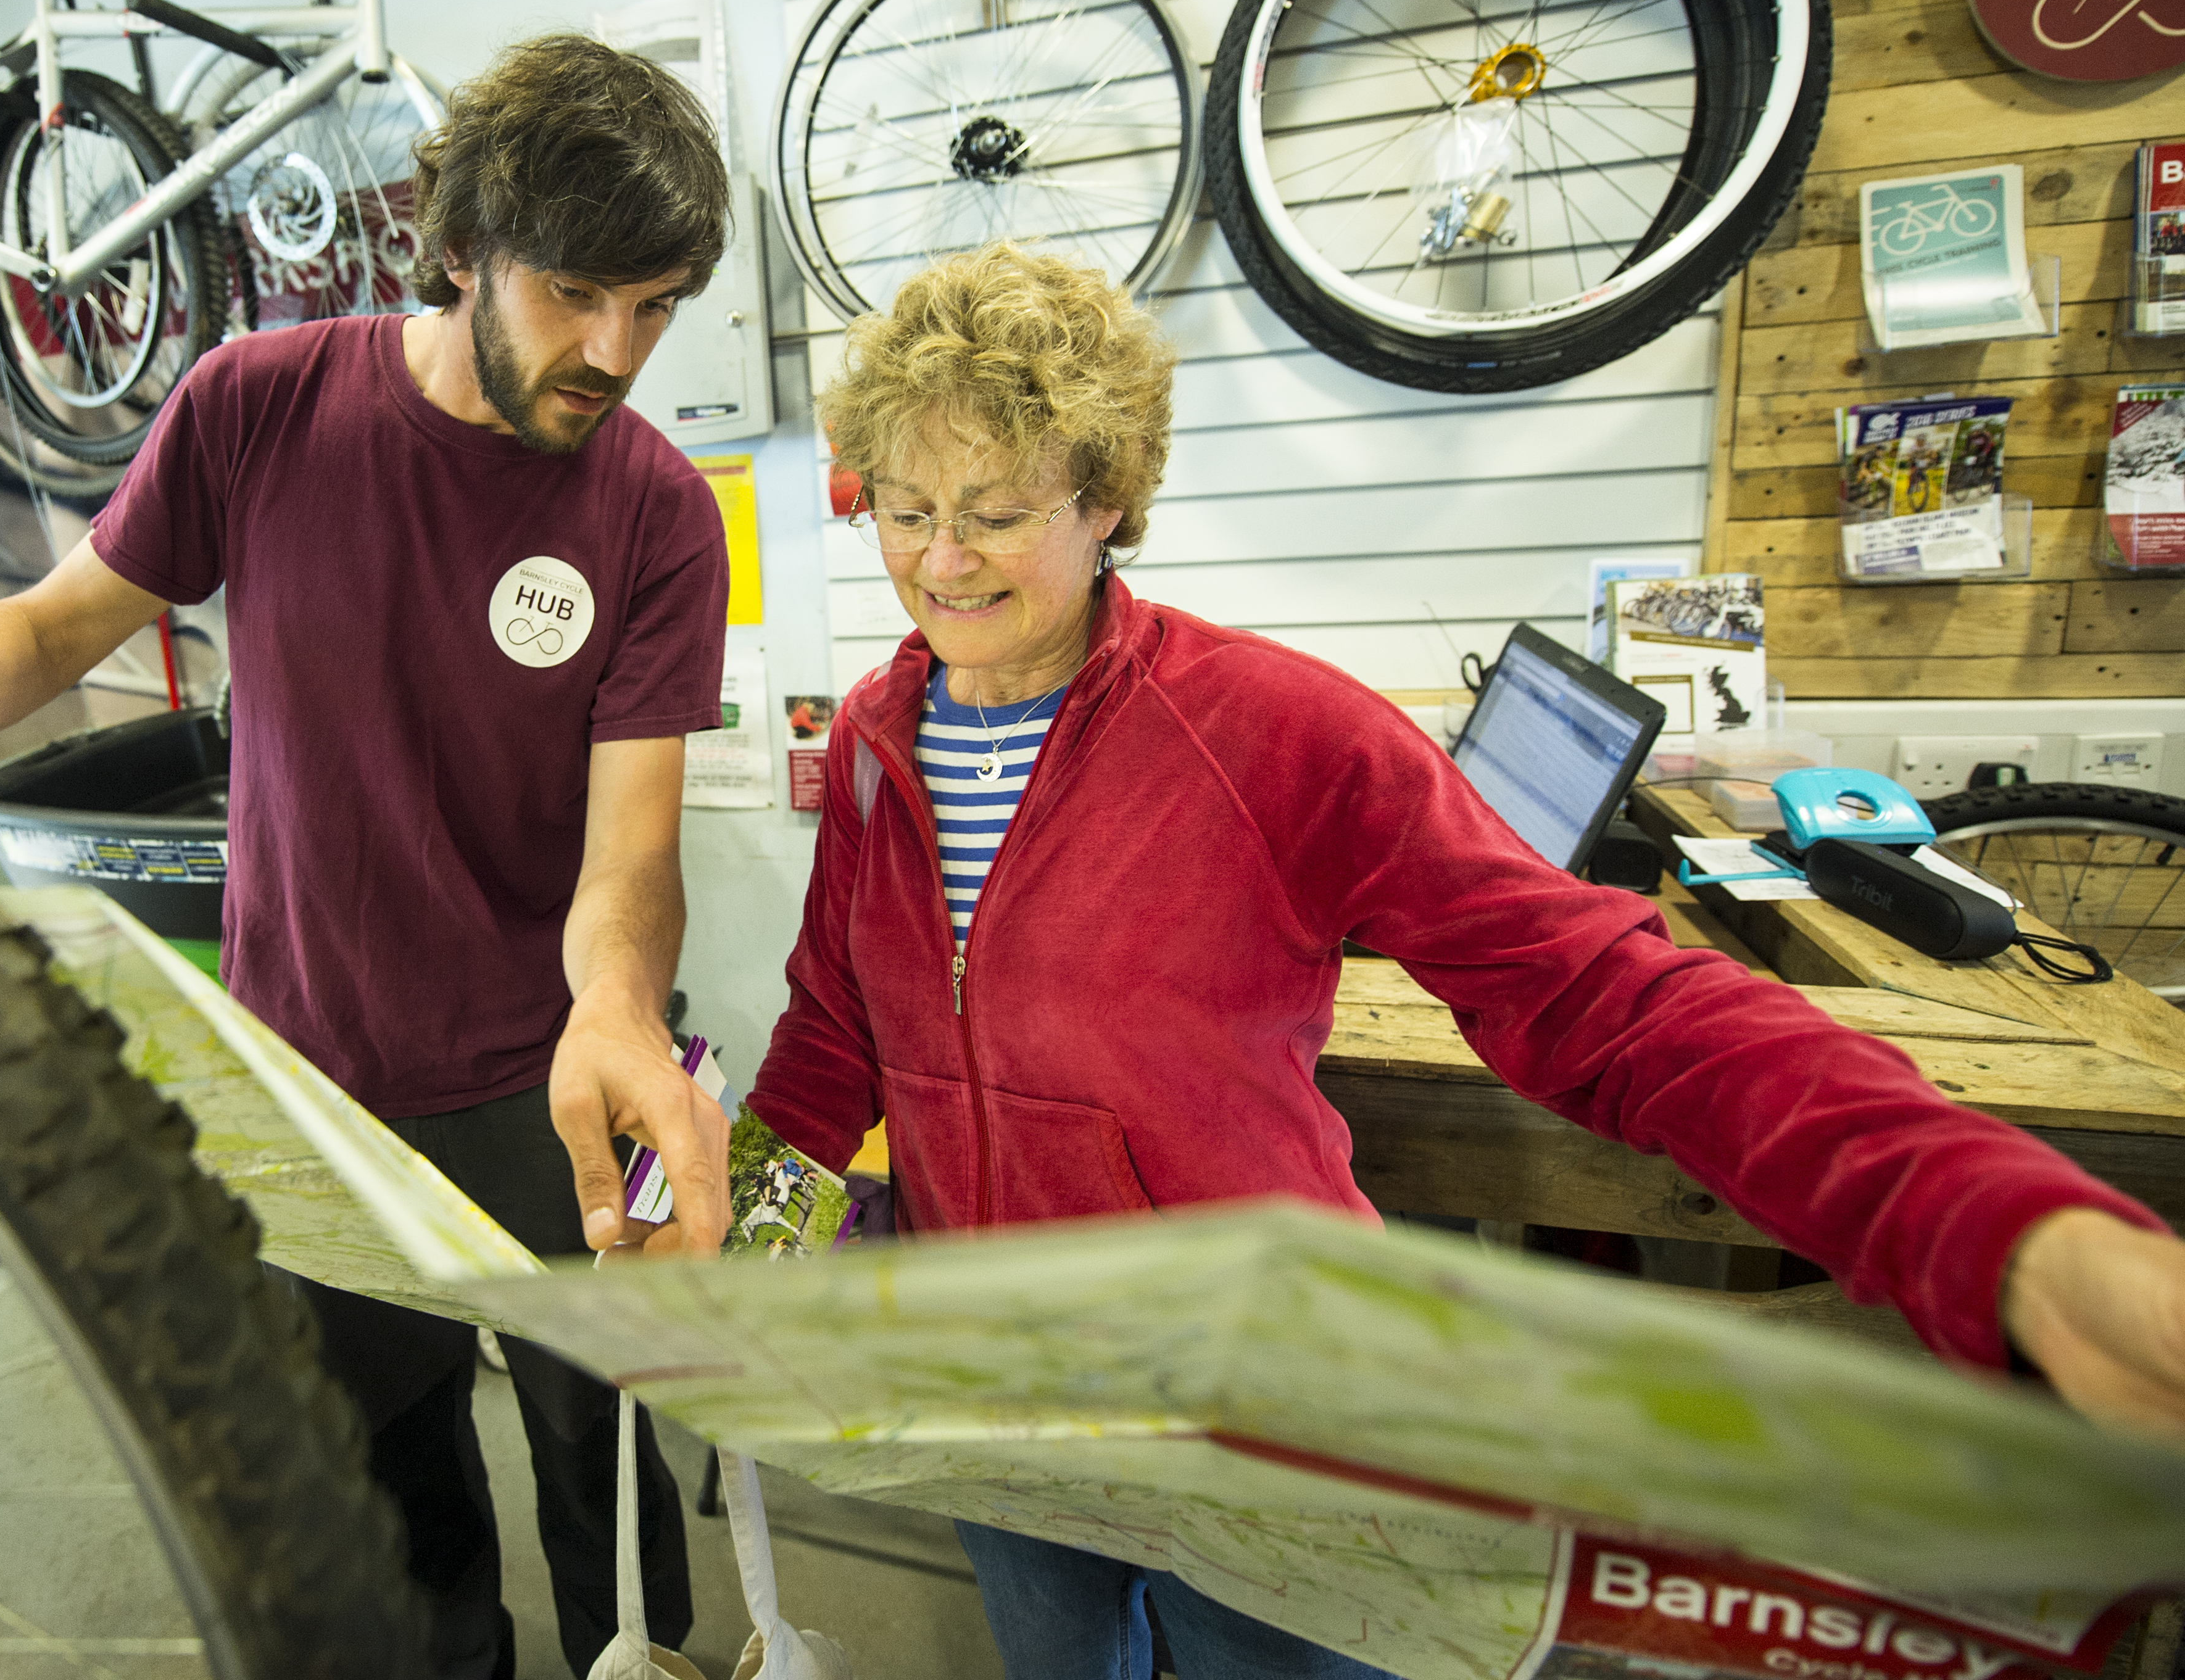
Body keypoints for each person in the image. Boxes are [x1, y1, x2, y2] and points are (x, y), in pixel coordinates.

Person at [740, 239, 2185, 1680]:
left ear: (1107, 498)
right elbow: (831, 1033)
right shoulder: (877, 738)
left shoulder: (1275, 732)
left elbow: (1604, 996)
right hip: (997, 1391)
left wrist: (1999, 1230)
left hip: (1257, 1410)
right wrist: (734, 1230)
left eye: (995, 512)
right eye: (908, 507)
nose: (937, 560)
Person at [0, 33, 740, 1680]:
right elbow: (47, 637)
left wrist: (619, 1004)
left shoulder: (655, 510)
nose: (615, 351)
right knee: (390, 1514)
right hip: (313, 1088)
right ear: (461, 244)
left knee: (616, 1488)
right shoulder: (261, 409)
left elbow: (631, 847)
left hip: (555, 1082)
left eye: (658, 306)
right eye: (575, 296)